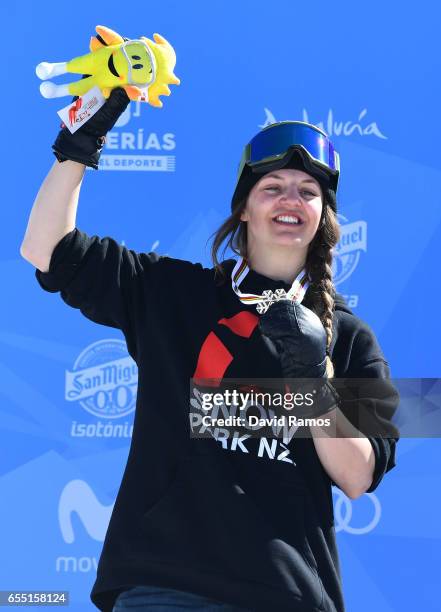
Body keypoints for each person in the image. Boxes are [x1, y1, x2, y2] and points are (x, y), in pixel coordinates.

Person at [21, 88, 400, 612]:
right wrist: (79, 145)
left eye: (307, 191)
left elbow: (358, 475)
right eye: (272, 187)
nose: (291, 199)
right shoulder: (172, 293)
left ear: (323, 217)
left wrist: (313, 382)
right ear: (243, 208)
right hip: (163, 584)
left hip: (287, 595)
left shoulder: (349, 337)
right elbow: (45, 249)